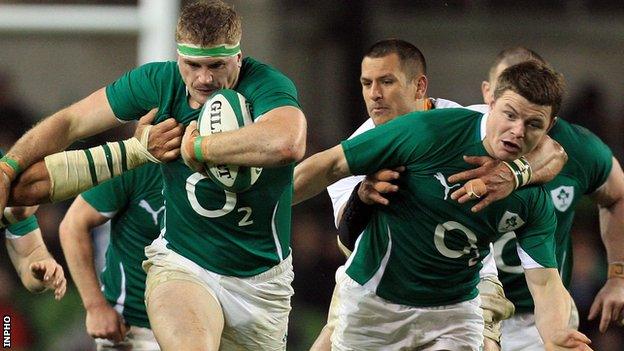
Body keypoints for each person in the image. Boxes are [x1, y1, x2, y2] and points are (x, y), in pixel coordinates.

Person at [1, 1, 306, 349]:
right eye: (193, 65)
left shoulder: (267, 86)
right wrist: (8, 167)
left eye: (216, 65)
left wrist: (200, 149)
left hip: (261, 283)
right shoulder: (158, 84)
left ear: (239, 58)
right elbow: (70, 122)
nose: (204, 78)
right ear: (178, 58)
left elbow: (286, 144)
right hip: (184, 265)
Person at [294, 61, 591, 350]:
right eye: (510, 115)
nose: (517, 130)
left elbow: (545, 282)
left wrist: (554, 336)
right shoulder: (429, 132)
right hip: (377, 298)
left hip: (455, 309)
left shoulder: (533, 196)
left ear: (550, 126)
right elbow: (332, 166)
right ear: (490, 102)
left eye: (533, 124)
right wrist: (270, 200)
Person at [469, 47, 624, 351]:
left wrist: (618, 275)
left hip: (540, 318)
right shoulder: (458, 136)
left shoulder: (579, 149)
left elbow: (619, 195)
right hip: (466, 309)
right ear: (490, 94)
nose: (522, 103)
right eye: (510, 95)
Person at [59, 162, 163, 350]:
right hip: (134, 328)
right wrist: (95, 306)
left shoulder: (225, 172)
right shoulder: (137, 163)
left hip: (209, 322)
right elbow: (73, 225)